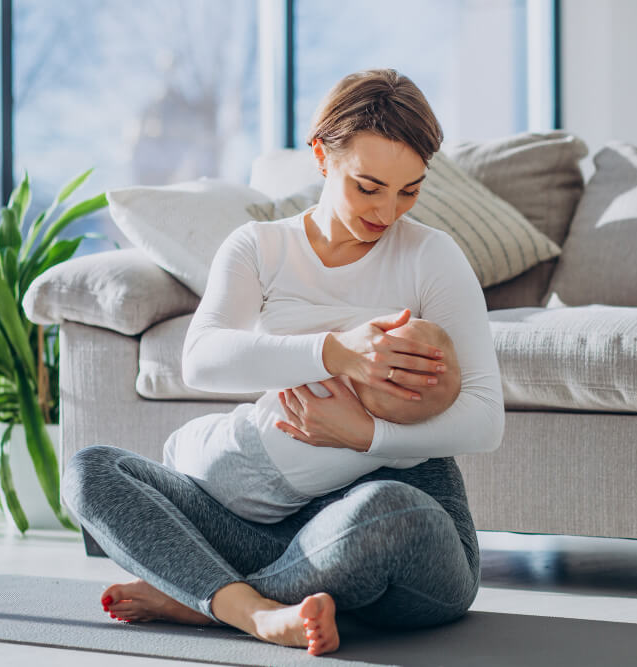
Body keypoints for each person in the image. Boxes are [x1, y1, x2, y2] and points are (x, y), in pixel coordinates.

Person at [60, 68, 504, 657]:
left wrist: (366, 434)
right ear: (321, 156)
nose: (388, 211)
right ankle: (262, 612)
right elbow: (202, 358)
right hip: (267, 526)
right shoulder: (261, 247)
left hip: (396, 533)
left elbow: (484, 418)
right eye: (368, 187)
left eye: (410, 190)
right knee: (89, 470)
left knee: (388, 512)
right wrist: (335, 351)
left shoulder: (432, 257)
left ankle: (210, 601)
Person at [163, 311, 463, 524]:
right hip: (267, 509)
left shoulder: (327, 378)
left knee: (176, 445)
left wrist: (341, 346)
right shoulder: (396, 451)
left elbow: (279, 358)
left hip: (235, 445)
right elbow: (422, 451)